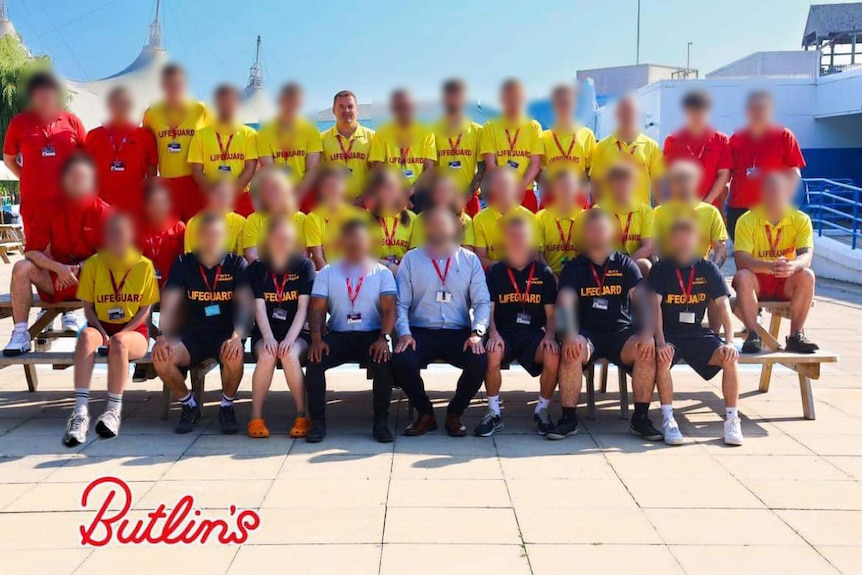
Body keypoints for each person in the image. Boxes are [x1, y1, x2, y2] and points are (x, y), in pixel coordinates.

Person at [554, 209, 661, 441]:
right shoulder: (574, 266)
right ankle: (568, 419)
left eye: (601, 230)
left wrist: (647, 333)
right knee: (572, 349)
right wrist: (568, 333)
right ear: (585, 234)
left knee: (645, 348)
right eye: (591, 231)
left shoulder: (625, 264)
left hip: (620, 334)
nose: (596, 235)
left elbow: (643, 299)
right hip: (587, 333)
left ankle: (640, 419)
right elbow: (564, 301)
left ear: (612, 233)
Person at [392, 208, 491, 437]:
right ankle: (425, 413)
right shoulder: (411, 259)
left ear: (454, 229)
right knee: (401, 359)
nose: (438, 231)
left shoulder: (469, 260)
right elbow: (401, 304)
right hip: (421, 331)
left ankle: (455, 413)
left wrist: (478, 332)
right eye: (432, 226)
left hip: (458, 331)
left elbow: (482, 302)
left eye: (443, 226)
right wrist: (404, 333)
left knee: (479, 359)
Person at [63, 213, 159, 446]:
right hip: (101, 326)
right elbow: (88, 308)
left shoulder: (144, 265)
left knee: (120, 343)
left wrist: (121, 332)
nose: (117, 238)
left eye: (121, 233)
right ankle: (80, 412)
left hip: (134, 330)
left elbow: (145, 311)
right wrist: (100, 331)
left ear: (131, 235)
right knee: (85, 336)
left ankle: (113, 411)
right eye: (112, 233)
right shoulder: (95, 263)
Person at [153, 213, 251, 434]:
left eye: (216, 235)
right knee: (161, 358)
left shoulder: (237, 264)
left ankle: (226, 406)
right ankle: (189, 405)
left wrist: (238, 337)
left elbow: (246, 305)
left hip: (225, 335)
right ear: (198, 237)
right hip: (192, 336)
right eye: (206, 235)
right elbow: (170, 300)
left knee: (235, 356)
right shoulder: (183, 262)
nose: (211, 240)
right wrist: (162, 335)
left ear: (225, 237)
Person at [4, 154, 110, 355]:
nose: (77, 182)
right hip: (54, 279)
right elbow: (32, 252)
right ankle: (20, 334)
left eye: (82, 177)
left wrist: (78, 268)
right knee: (21, 268)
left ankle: (104, 331)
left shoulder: (103, 211)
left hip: (91, 283)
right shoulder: (48, 208)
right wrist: (59, 269)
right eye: (73, 177)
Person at [650, 217, 742, 446]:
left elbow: (723, 306)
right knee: (663, 358)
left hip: (696, 333)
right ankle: (668, 419)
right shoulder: (661, 268)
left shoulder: (707, 268)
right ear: (671, 241)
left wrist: (730, 342)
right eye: (678, 240)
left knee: (729, 358)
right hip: (669, 333)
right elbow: (654, 308)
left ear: (697, 241)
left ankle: (732, 420)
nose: (682, 245)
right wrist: (660, 342)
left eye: (687, 239)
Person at [306, 219, 397, 443]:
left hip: (371, 335)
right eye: (351, 240)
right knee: (315, 360)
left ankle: (381, 422)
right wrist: (317, 340)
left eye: (360, 240)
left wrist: (384, 338)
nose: (355, 244)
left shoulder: (382, 273)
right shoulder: (328, 272)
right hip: (338, 334)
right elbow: (316, 310)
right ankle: (317, 422)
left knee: (384, 362)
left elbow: (390, 310)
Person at [479, 217, 560, 437]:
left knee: (553, 354)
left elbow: (551, 315)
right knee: (492, 352)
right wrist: (492, 332)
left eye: (521, 237)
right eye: (512, 238)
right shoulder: (495, 272)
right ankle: (493, 412)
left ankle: (542, 409)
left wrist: (550, 336)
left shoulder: (543, 273)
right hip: (503, 332)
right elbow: (489, 309)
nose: (517, 242)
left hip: (532, 334)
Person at [732, 171, 818, 354]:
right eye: (769, 190)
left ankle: (796, 335)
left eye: (779, 191)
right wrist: (770, 266)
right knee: (742, 276)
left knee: (807, 275)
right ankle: (753, 334)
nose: (774, 195)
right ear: (762, 193)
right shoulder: (747, 220)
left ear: (788, 192)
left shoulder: (801, 219)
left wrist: (793, 265)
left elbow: (807, 256)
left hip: (786, 279)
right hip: (758, 280)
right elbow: (742, 259)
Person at [247, 218, 316, 439]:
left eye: (286, 239)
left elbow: (303, 308)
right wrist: (268, 337)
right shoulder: (257, 268)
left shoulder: (305, 266)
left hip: (297, 333)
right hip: (266, 331)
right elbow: (258, 307)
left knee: (288, 355)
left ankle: (302, 414)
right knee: (267, 355)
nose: (281, 243)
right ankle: (255, 417)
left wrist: (288, 340)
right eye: (276, 239)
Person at [3, 72, 86, 233]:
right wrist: (27, 176)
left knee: (69, 255)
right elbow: (9, 158)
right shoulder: (19, 123)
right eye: (39, 93)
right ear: (32, 96)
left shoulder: (72, 121)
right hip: (34, 205)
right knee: (36, 254)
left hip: (68, 204)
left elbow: (88, 159)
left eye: (49, 91)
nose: (45, 96)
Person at [727, 91, 805, 237]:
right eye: (753, 108)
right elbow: (726, 175)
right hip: (740, 207)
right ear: (747, 112)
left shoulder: (784, 136)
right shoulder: (735, 139)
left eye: (762, 108)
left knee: (775, 255)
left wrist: (786, 201)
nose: (758, 113)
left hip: (772, 207)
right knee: (743, 256)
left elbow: (795, 172)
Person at [143, 64, 210, 221]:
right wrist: (151, 186)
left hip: (195, 183)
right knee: (171, 233)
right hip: (166, 184)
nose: (173, 88)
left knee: (195, 233)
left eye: (177, 84)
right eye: (169, 84)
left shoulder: (201, 109)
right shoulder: (151, 114)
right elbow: (149, 152)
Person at [85, 85, 158, 215]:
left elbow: (152, 173)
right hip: (100, 209)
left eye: (126, 103)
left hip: (134, 209)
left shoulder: (145, 136)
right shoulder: (93, 136)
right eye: (117, 103)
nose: (121, 107)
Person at [188, 84, 258, 216]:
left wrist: (234, 189)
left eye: (231, 102)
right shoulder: (201, 135)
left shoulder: (249, 134)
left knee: (241, 234)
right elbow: (196, 170)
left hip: (241, 196)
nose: (226, 107)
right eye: (222, 102)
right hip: (211, 197)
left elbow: (251, 168)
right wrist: (214, 192)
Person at [479, 78, 544, 212]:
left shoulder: (533, 127)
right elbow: (490, 165)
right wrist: (504, 189)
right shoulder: (490, 127)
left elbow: (535, 164)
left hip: (526, 191)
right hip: (499, 194)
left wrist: (519, 188)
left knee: (528, 232)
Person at [662, 90, 732, 209]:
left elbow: (724, 175)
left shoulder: (721, 140)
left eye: (701, 112)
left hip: (709, 207)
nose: (696, 116)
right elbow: (667, 176)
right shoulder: (673, 141)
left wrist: (706, 203)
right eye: (692, 112)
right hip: (680, 207)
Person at [590, 95, 664, 205]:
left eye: (631, 112)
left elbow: (658, 185)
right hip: (610, 216)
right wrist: (598, 213)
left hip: (640, 217)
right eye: (623, 112)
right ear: (617, 115)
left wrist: (657, 215)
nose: (627, 116)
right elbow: (596, 184)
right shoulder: (602, 147)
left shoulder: (651, 146)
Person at [257, 82, 323, 205]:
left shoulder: (311, 131)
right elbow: (269, 169)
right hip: (276, 193)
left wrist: (299, 194)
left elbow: (312, 170)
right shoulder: (264, 133)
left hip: (304, 192)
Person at [653, 160, 728, 265]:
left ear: (697, 181)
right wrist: (658, 269)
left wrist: (713, 269)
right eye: (677, 179)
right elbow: (652, 246)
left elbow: (721, 248)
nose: (683, 184)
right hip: (668, 269)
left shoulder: (711, 212)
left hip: (699, 271)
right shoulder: (658, 212)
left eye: (687, 179)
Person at [472, 167, 541, 268]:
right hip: (495, 274)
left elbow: (534, 255)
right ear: (491, 188)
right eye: (499, 185)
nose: (503, 189)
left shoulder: (529, 217)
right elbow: (481, 257)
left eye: (507, 185)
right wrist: (503, 270)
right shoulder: (479, 219)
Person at [434, 78, 484, 216]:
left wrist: (467, 194)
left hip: (469, 198)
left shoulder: (477, 131)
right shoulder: (434, 132)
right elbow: (431, 169)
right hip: (442, 198)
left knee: (470, 237)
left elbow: (482, 168)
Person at [369, 89, 436, 191]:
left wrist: (413, 189)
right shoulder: (382, 133)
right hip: (390, 191)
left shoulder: (426, 132)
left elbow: (429, 167)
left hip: (418, 191)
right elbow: (378, 167)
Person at [304, 166, 369, 269]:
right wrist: (331, 278)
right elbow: (318, 257)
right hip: (326, 272)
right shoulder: (313, 218)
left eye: (336, 185)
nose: (332, 189)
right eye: (328, 186)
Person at [597, 163, 655, 275]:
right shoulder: (599, 210)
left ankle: (641, 292)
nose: (622, 185)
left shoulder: (645, 211)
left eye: (626, 180)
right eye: (617, 181)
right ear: (609, 185)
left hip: (635, 258)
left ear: (635, 184)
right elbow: (596, 245)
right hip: (607, 261)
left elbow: (648, 247)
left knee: (645, 264)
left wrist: (627, 264)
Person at [242, 165, 306, 263]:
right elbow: (251, 255)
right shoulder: (253, 220)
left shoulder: (301, 219)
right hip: (264, 274)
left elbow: (303, 254)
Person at [540, 84, 596, 197]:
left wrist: (580, 186)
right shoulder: (544, 137)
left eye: (567, 102)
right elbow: (539, 170)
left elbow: (591, 169)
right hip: (552, 197)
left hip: (577, 196)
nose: (563, 107)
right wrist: (547, 187)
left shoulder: (587, 135)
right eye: (559, 103)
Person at [320, 90, 375, 202]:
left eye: (350, 106)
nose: (346, 110)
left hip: (365, 203)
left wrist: (363, 199)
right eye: (341, 106)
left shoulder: (372, 137)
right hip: (334, 204)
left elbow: (377, 173)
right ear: (333, 110)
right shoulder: (323, 139)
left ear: (357, 109)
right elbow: (319, 175)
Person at [536, 170, 590, 276]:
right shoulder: (540, 218)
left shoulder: (586, 218)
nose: (566, 191)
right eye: (561, 187)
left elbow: (591, 254)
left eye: (570, 186)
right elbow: (538, 256)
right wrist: (552, 279)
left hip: (579, 276)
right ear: (553, 190)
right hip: (549, 276)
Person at [365, 167, 416, 275]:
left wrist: (402, 268)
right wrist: (388, 266)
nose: (389, 192)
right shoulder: (365, 218)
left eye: (394, 187)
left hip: (405, 273)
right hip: (374, 274)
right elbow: (362, 255)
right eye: (385, 188)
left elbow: (417, 254)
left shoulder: (412, 218)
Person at [138, 178, 187, 289]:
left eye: (162, 203)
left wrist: (174, 281)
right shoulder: (136, 228)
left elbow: (184, 263)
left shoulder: (179, 228)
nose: (159, 208)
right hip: (143, 288)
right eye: (153, 203)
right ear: (145, 206)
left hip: (170, 286)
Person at [411, 172, 475, 249]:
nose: (442, 194)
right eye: (438, 191)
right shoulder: (420, 219)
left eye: (447, 191)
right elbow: (417, 252)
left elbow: (467, 254)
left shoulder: (466, 220)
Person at [185, 179, 246, 255]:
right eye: (217, 194)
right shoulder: (194, 223)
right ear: (209, 195)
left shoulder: (240, 223)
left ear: (232, 199)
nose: (221, 199)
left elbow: (241, 259)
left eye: (226, 195)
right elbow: (190, 258)